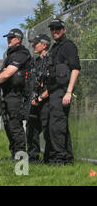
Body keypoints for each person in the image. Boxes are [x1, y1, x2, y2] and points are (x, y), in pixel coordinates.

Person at [0, 28, 32, 161]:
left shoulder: (21, 54)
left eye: (11, 37)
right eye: (7, 38)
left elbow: (8, 73)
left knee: (15, 126)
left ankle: (21, 158)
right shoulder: (10, 55)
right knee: (8, 125)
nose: (8, 40)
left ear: (18, 39)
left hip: (17, 95)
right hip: (8, 95)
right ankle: (14, 154)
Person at [45, 18, 80, 165]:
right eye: (52, 29)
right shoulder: (55, 47)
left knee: (57, 126)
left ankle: (60, 160)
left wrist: (69, 92)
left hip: (62, 92)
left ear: (64, 30)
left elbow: (75, 68)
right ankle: (66, 158)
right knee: (57, 126)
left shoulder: (68, 46)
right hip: (54, 92)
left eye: (57, 28)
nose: (55, 31)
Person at [26, 33, 52, 164]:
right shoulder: (35, 62)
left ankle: (48, 159)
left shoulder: (51, 60)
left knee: (48, 130)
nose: (33, 46)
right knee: (31, 129)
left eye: (36, 43)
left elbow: (53, 84)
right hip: (34, 100)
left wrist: (41, 97)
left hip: (46, 101)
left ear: (44, 45)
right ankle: (33, 158)